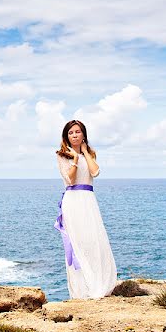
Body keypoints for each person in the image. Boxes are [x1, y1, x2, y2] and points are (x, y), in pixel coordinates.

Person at [54, 119, 117, 299]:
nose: (74, 135)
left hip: (88, 200)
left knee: (94, 240)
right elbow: (70, 180)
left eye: (77, 132)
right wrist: (74, 159)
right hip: (73, 200)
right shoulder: (62, 155)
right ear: (66, 136)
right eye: (70, 133)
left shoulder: (91, 153)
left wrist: (84, 153)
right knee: (77, 243)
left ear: (83, 134)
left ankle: (97, 284)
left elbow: (95, 172)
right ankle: (82, 290)